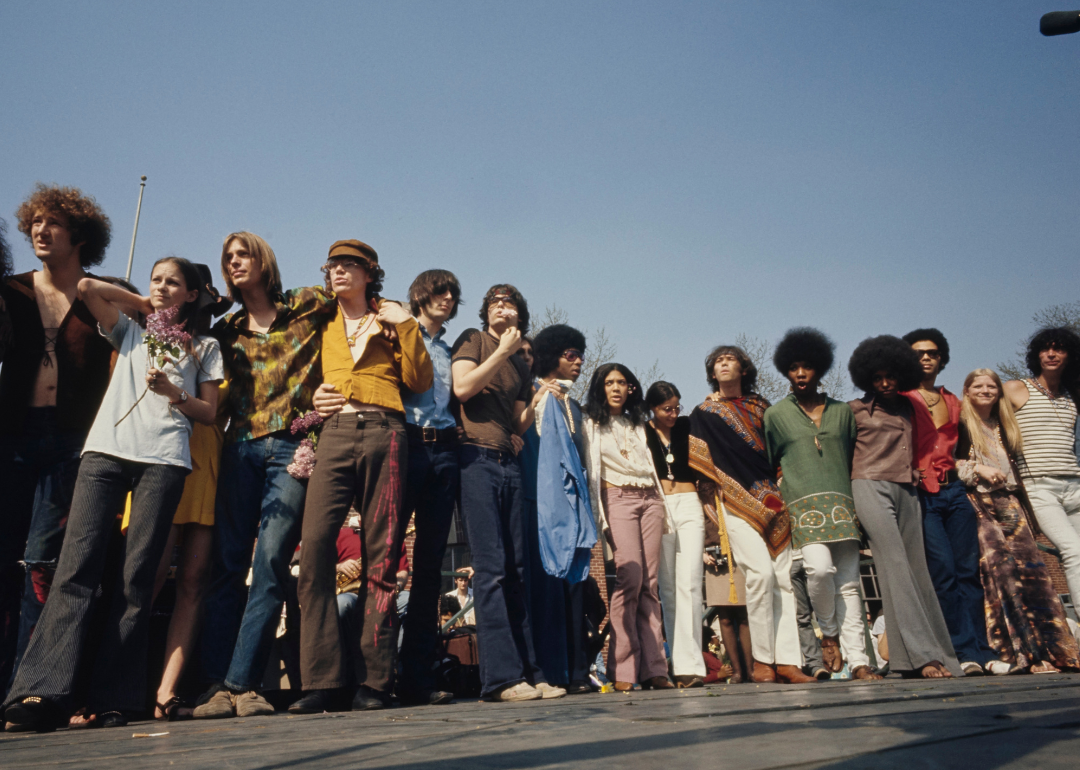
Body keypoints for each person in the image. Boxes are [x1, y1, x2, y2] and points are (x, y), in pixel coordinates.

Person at [4, 257, 223, 732]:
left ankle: (114, 698)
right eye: (156, 279)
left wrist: (173, 392)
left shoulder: (204, 345)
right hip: (105, 451)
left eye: (173, 283)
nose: (162, 287)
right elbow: (86, 287)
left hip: (164, 459)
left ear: (192, 294)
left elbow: (208, 412)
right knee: (74, 569)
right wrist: (145, 304)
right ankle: (40, 690)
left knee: (137, 578)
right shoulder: (130, 330)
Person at [194, 232, 336, 719]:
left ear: (264, 259)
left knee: (273, 561)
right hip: (240, 448)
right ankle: (214, 685)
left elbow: (363, 306)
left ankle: (243, 683)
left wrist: (334, 389)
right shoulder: (227, 328)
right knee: (228, 565)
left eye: (242, 254)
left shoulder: (307, 303)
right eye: (227, 258)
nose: (234, 262)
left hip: (294, 449)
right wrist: (209, 301)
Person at [288, 239, 433, 714]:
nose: (338, 272)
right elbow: (295, 373)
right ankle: (322, 680)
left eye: (349, 265)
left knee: (382, 556)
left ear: (370, 273)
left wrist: (407, 324)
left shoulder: (391, 321)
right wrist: (311, 400)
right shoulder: (319, 322)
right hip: (334, 433)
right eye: (332, 266)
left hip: (386, 429)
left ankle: (375, 681)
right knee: (313, 549)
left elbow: (420, 380)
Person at [0, 186, 114, 692]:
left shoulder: (103, 293)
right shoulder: (11, 292)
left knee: (43, 565)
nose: (40, 232)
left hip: (72, 440)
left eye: (54, 224)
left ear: (80, 236)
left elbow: (150, 325)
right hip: (13, 435)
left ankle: (29, 685)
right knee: (6, 557)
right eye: (35, 224)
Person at [689, 346, 814, 684]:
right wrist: (707, 506)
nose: (724, 364)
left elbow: (781, 451)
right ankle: (762, 662)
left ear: (743, 369)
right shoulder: (704, 413)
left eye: (730, 359)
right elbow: (701, 466)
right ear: (712, 373)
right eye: (718, 361)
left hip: (775, 502)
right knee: (759, 575)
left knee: (785, 581)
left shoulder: (764, 409)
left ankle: (788, 662)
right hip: (733, 503)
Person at [451, 285, 552, 702]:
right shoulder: (473, 341)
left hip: (505, 463)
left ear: (520, 315)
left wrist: (541, 396)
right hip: (473, 459)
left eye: (508, 304)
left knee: (517, 571)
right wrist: (499, 352)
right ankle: (500, 680)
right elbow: (462, 389)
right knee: (490, 569)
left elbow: (516, 424)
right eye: (494, 303)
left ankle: (531, 671)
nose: (500, 308)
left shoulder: (519, 365)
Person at [140, 264, 232, 721]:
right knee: (146, 576)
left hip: (203, 460)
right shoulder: (141, 334)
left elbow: (213, 411)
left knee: (193, 581)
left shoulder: (210, 346)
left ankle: (166, 689)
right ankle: (118, 685)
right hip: (155, 456)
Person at [764, 328, 880, 680]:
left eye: (807, 367)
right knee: (818, 570)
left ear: (820, 370)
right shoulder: (775, 416)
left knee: (849, 585)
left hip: (844, 507)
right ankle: (829, 634)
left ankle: (859, 661)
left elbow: (849, 457)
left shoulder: (842, 412)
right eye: (794, 367)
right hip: (802, 508)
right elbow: (770, 464)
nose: (800, 374)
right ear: (786, 371)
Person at [847, 335, 961, 679]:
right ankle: (924, 656)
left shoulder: (911, 407)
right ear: (866, 377)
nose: (884, 383)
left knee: (917, 570)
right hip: (868, 485)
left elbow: (928, 444)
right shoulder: (853, 409)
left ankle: (909, 658)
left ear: (901, 374)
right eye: (877, 377)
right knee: (894, 565)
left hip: (907, 489)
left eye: (891, 376)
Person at [958, 369, 1080, 674]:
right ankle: (1015, 653)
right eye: (979, 386)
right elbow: (948, 462)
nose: (986, 390)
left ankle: (1052, 650)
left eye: (992, 386)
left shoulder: (1005, 426)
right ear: (967, 391)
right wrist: (978, 470)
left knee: (1034, 573)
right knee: (1000, 571)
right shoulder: (961, 425)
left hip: (1011, 502)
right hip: (979, 502)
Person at [902, 328, 995, 676]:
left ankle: (982, 650)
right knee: (943, 573)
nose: (925, 357)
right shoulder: (900, 398)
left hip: (955, 491)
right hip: (922, 494)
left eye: (932, 352)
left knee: (970, 572)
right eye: (918, 352)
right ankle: (958, 650)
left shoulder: (954, 400)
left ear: (942, 359)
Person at [392, 269, 463, 707]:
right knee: (386, 556)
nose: (447, 297)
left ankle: (418, 676)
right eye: (439, 290)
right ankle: (375, 677)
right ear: (420, 295)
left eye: (453, 293)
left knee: (430, 565)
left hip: (446, 451)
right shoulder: (400, 331)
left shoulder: (452, 352)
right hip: (407, 444)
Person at [584, 363, 673, 691]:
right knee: (629, 577)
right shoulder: (590, 422)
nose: (617, 388)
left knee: (650, 583)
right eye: (610, 383)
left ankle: (654, 668)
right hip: (616, 495)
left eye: (622, 382)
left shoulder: (640, 422)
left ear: (631, 387)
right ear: (600, 387)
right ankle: (622, 669)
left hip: (650, 497)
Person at [525, 325, 595, 695]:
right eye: (570, 354)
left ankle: (578, 672)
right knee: (548, 588)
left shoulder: (575, 405)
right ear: (552, 356)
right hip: (543, 504)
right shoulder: (534, 394)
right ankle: (553, 670)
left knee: (575, 591)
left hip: (575, 507)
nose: (579, 360)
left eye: (580, 354)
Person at [1003, 327, 1080, 605]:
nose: (1051, 353)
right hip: (1039, 486)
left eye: (1059, 348)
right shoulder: (1016, 388)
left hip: (1075, 484)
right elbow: (979, 417)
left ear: (1069, 355)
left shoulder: (1073, 397)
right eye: (1045, 348)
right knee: (1074, 550)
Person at [644, 381, 706, 687]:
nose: (672, 413)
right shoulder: (642, 432)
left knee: (691, 582)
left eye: (676, 407)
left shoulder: (686, 426)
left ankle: (693, 663)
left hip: (689, 502)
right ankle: (679, 665)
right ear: (652, 409)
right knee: (667, 588)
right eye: (666, 408)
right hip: (660, 504)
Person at [789, 553, 830, 680]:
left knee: (829, 609)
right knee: (802, 617)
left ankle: (851, 658)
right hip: (789, 558)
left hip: (815, 555)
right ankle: (815, 665)